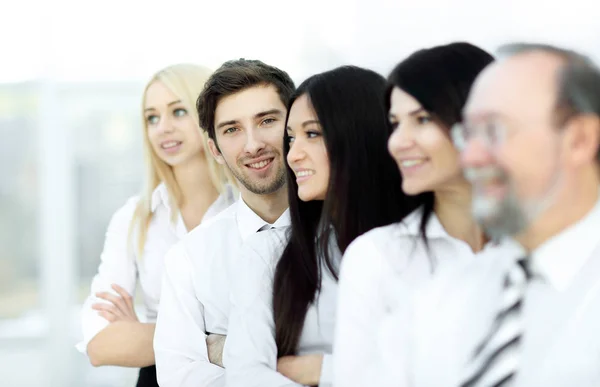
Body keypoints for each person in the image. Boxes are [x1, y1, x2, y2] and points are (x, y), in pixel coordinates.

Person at [380, 43, 600, 387]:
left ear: (579, 139)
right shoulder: (441, 300)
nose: (472, 157)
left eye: (495, 130)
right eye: (469, 133)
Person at [224, 65, 419, 387]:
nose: (293, 155)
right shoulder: (268, 253)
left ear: (360, 136)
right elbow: (247, 376)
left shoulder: (423, 246)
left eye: (312, 134)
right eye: (291, 138)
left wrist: (323, 370)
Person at [332, 42, 496, 387]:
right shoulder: (377, 256)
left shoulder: (550, 244)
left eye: (421, 119)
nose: (397, 142)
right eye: (395, 123)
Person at [77, 64, 236, 387]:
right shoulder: (134, 218)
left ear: (209, 116)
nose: (162, 128)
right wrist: (218, 342)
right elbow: (100, 344)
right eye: (152, 117)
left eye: (178, 111)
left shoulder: (245, 209)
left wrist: (148, 336)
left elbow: (281, 336)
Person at [153, 59, 295, 387]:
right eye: (232, 129)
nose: (253, 144)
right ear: (215, 149)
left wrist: (225, 350)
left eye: (267, 121)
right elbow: (180, 377)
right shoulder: (188, 258)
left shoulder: (348, 234)